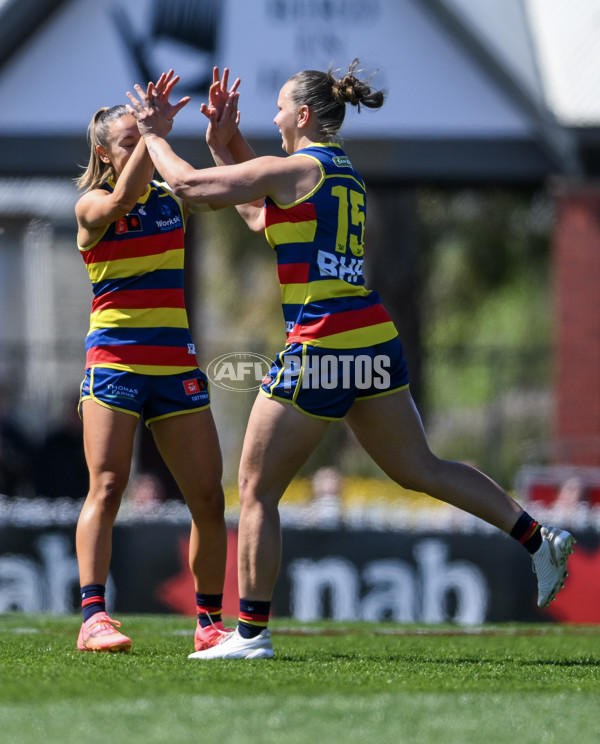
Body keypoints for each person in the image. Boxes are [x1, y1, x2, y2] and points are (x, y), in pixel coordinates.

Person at [126, 62, 576, 660]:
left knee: (257, 489)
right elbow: (263, 216)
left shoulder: (298, 167)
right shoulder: (341, 175)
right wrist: (224, 142)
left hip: (322, 343)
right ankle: (538, 539)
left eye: (282, 107)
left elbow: (189, 189)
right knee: (421, 467)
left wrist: (153, 132)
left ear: (304, 116)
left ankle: (251, 635)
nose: (277, 116)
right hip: (371, 338)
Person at [74, 71, 229, 653]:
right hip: (114, 363)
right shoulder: (92, 205)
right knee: (108, 486)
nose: (140, 145)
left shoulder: (171, 197)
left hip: (175, 365)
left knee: (208, 498)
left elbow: (229, 191)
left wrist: (222, 137)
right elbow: (119, 200)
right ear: (103, 153)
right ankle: (93, 619)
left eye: (144, 136)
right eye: (128, 140)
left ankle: (210, 623)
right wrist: (154, 136)